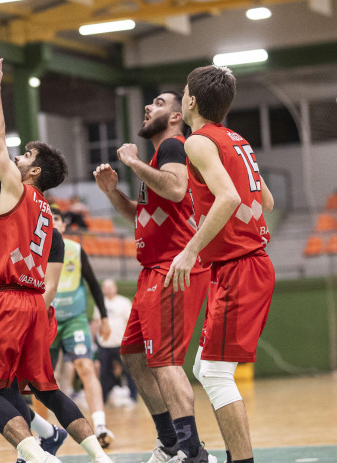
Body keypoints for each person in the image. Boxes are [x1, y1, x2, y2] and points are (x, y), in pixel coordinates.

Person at [0, 55, 112, 463]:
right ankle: (100, 457)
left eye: (26, 154)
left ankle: (39, 457)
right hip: (35, 307)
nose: (18, 156)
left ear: (33, 173)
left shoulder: (16, 190)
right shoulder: (48, 213)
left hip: (7, 300)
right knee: (48, 390)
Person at [94, 90, 217, 463]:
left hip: (173, 268)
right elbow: (143, 213)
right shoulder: (159, 158)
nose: (149, 107)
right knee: (132, 354)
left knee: (164, 361)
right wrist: (114, 193)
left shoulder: (174, 148)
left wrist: (131, 163)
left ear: (177, 116)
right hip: (153, 270)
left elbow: (177, 188)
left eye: (160, 104)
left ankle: (192, 451)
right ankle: (169, 442)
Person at [165, 65, 276, 463]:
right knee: (206, 367)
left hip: (239, 267)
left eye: (182, 91)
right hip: (246, 263)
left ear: (192, 100)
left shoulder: (198, 142)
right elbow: (267, 201)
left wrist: (190, 249)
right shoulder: (238, 140)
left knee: (212, 374)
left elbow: (228, 197)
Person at [49, 211, 114, 447]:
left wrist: (104, 317)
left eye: (57, 219)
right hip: (46, 319)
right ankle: (43, 431)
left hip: (74, 320)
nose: (54, 223)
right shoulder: (36, 250)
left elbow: (94, 285)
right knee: (39, 377)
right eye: (50, 219)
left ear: (64, 225)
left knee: (85, 366)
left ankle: (99, 425)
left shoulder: (75, 250)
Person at [91, 279, 136, 406]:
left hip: (121, 343)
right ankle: (104, 398)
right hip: (104, 344)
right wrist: (94, 340)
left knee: (129, 370)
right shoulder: (100, 304)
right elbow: (96, 322)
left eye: (110, 287)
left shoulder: (124, 302)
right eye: (105, 287)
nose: (108, 289)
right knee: (104, 372)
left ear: (115, 288)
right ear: (103, 290)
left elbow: (130, 322)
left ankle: (133, 397)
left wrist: (131, 340)